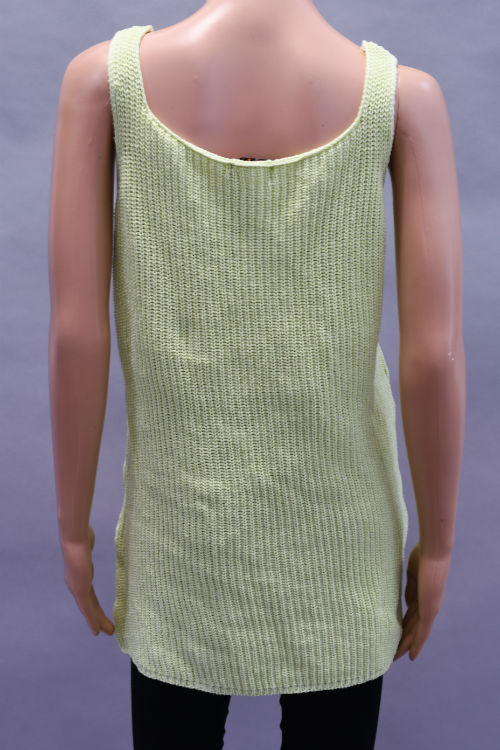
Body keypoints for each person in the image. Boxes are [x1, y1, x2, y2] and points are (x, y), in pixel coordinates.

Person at [49, 1, 465, 747]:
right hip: (340, 547)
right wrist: (438, 545)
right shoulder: (406, 100)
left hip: (181, 544)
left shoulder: (102, 84)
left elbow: (76, 336)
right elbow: (434, 358)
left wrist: (70, 528)